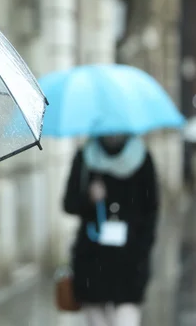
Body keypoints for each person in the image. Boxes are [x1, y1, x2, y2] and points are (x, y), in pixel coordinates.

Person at [63, 134, 158, 326]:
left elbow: (151, 210)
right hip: (92, 264)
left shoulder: (142, 158)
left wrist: (142, 250)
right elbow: (69, 204)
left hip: (129, 264)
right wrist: (89, 198)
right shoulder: (85, 158)